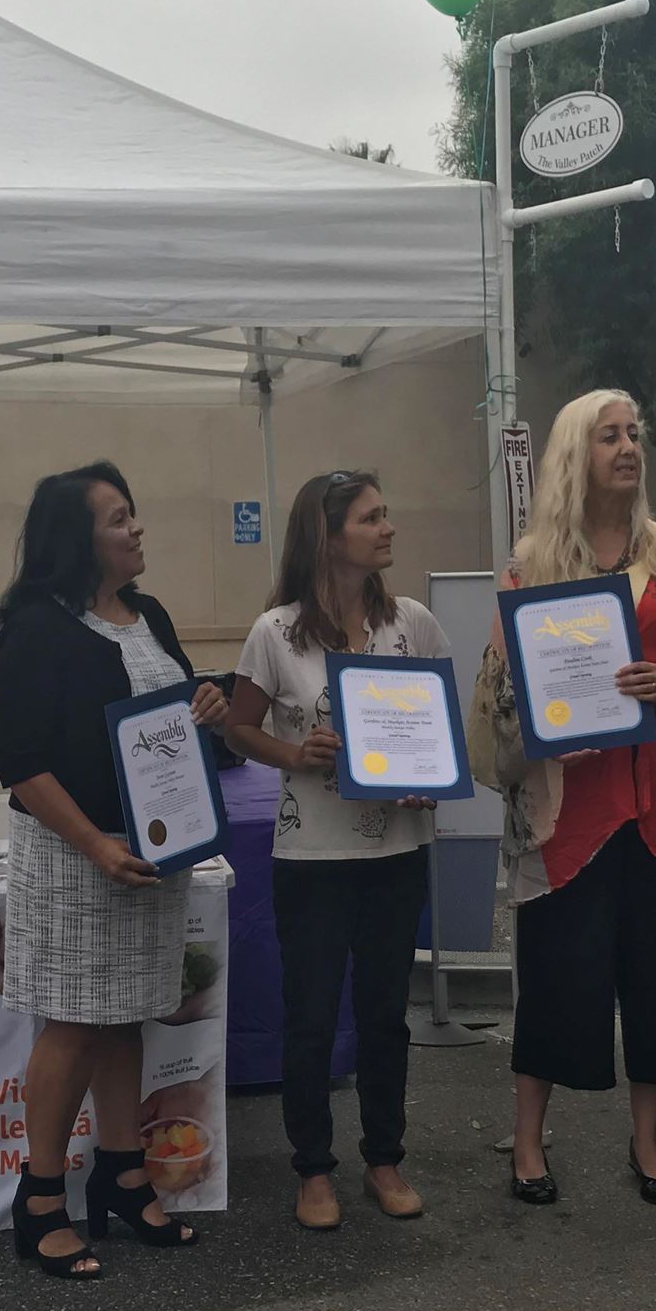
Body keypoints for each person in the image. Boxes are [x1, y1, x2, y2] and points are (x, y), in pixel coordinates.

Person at [469, 390, 656, 1207]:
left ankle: (649, 1143)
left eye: (635, 433)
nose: (629, 448)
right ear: (573, 454)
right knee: (556, 980)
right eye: (610, 437)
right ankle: (527, 1142)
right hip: (569, 817)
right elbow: (496, 697)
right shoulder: (529, 566)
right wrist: (546, 720)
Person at [0, 462, 228, 1281]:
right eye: (120, 518)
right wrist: (94, 843)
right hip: (73, 857)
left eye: (135, 514)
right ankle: (42, 1199)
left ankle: (125, 1178)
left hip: (152, 849)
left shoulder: (148, 614)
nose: (137, 530)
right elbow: (19, 762)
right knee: (73, 1020)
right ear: (78, 540)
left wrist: (210, 708)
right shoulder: (32, 630)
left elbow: (174, 711)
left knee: (127, 1013)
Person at [227, 470, 450, 1230]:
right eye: (370, 518)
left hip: (396, 848)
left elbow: (438, 724)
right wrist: (295, 754)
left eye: (387, 514)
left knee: (386, 1014)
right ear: (326, 537)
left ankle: (384, 1158)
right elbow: (238, 727)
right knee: (312, 1015)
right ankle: (313, 1168)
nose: (388, 528)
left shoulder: (412, 623)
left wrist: (429, 778)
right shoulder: (275, 632)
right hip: (312, 858)